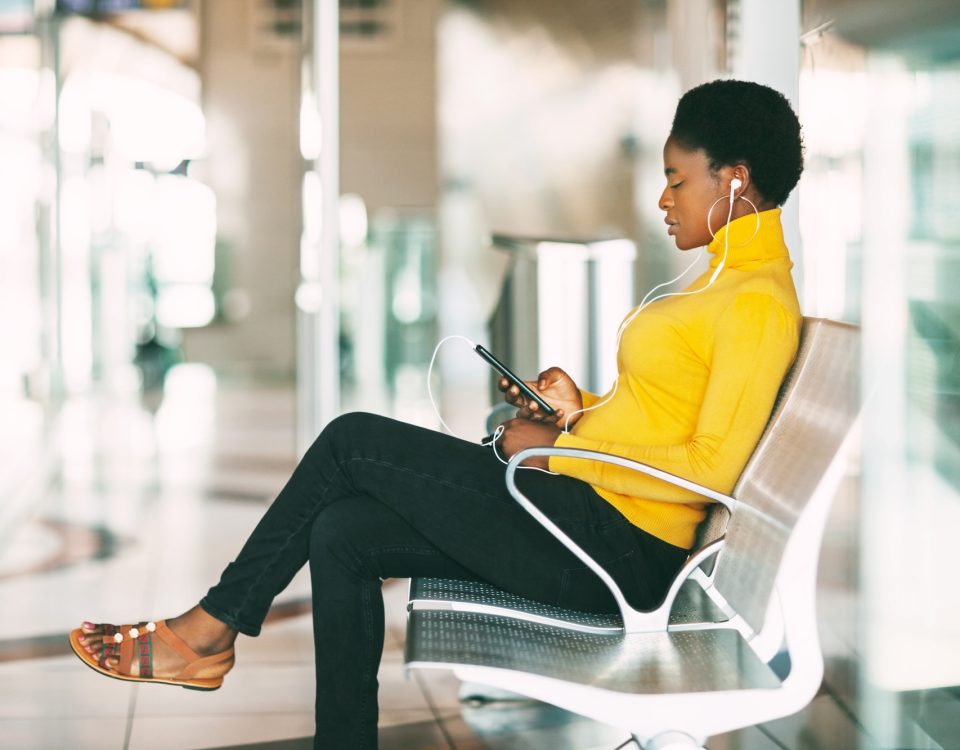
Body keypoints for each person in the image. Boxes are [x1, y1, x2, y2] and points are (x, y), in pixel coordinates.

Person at [70, 79, 804, 749]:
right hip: (591, 521)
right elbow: (665, 415)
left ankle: (208, 631)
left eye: (677, 180)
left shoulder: (755, 302)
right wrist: (576, 409)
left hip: (618, 553)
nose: (664, 199)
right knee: (343, 532)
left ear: (734, 179)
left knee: (352, 441)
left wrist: (557, 449)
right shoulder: (723, 280)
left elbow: (712, 470)